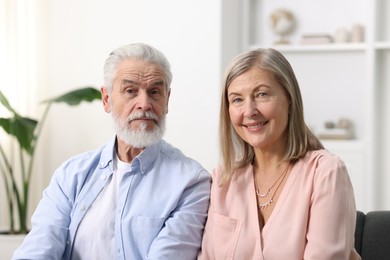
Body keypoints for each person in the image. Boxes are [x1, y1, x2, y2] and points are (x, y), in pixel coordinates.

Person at [13, 43, 211, 260]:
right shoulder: (70, 175)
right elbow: (38, 249)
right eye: (130, 91)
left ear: (167, 101)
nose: (144, 104)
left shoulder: (191, 182)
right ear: (106, 99)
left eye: (155, 92)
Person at [198, 48, 361, 259]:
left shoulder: (325, 172)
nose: (249, 111)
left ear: (290, 99)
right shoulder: (222, 180)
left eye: (262, 94)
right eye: (237, 99)